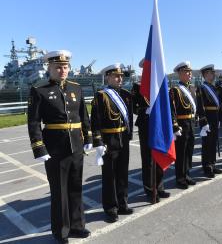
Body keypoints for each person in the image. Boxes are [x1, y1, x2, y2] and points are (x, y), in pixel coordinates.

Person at [27, 50, 92, 243]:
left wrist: (88, 138)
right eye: (57, 67)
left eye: (65, 67)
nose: (62, 70)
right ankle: (61, 231)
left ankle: (77, 225)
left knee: (75, 188)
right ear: (50, 68)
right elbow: (33, 122)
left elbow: (83, 116)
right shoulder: (39, 89)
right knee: (59, 192)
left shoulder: (76, 88)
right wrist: (39, 148)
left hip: (76, 146)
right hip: (55, 148)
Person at [91, 63, 133, 223]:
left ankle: (123, 203)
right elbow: (95, 121)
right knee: (109, 177)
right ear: (107, 77)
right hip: (109, 140)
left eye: (121, 76)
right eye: (116, 76)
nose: (120, 78)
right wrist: (98, 141)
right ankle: (110, 209)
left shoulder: (126, 95)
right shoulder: (101, 96)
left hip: (123, 137)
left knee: (122, 173)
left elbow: (128, 117)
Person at [132, 59, 170, 203]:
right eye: (148, 68)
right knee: (147, 158)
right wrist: (144, 110)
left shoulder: (160, 84)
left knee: (160, 153)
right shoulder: (138, 86)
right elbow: (134, 107)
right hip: (145, 125)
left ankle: (159, 187)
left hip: (158, 124)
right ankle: (149, 190)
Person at [169, 61, 197, 189]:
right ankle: (180, 178)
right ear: (180, 74)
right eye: (186, 72)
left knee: (189, 150)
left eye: (190, 71)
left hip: (191, 123)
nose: (189, 74)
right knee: (181, 152)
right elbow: (172, 110)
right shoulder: (175, 90)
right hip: (182, 124)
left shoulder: (191, 88)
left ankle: (186, 174)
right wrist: (174, 125)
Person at [196, 64, 222, 178]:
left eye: (213, 73)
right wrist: (204, 122)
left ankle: (212, 164)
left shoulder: (213, 87)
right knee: (207, 144)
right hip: (208, 118)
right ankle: (207, 167)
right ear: (206, 74)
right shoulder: (202, 88)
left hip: (215, 117)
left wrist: (219, 118)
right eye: (211, 73)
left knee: (214, 142)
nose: (213, 75)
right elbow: (200, 106)